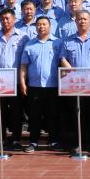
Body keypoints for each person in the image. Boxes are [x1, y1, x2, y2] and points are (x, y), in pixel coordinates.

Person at [20, 16, 67, 153]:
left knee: (53, 115)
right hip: (34, 86)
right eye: (39, 24)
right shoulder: (29, 44)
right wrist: (22, 82)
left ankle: (54, 141)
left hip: (53, 86)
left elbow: (63, 62)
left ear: (50, 26)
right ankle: (33, 142)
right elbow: (24, 65)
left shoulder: (58, 43)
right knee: (34, 116)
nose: (41, 27)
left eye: (44, 24)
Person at [61, 10, 90, 154]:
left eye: (85, 19)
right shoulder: (67, 40)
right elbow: (63, 58)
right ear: (75, 21)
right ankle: (79, 142)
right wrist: (73, 73)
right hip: (74, 84)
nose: (82, 21)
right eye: (79, 19)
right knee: (77, 114)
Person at [0, 8, 29, 150]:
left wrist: (23, 80)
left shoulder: (23, 37)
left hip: (16, 81)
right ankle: (1, 139)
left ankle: (16, 139)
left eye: (8, 18)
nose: (5, 21)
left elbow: (25, 61)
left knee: (16, 111)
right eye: (3, 19)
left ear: (14, 19)